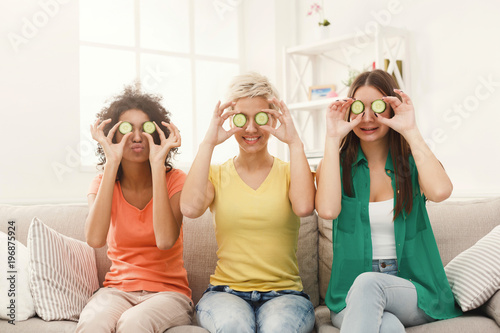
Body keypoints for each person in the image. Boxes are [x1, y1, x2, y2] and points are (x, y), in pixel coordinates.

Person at [315, 69, 462, 332]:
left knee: (369, 283)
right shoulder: (337, 166)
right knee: (388, 327)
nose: (368, 118)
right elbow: (327, 210)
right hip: (351, 293)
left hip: (411, 288)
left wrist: (410, 129)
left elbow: (440, 191)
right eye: (360, 108)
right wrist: (332, 136)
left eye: (378, 107)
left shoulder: (412, 162)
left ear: (392, 110)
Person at [180, 72, 316, 333]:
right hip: (226, 293)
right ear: (231, 120)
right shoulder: (216, 175)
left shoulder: (290, 172)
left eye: (261, 118)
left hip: (285, 295)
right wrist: (208, 142)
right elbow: (190, 208)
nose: (251, 129)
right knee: (233, 327)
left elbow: (304, 207)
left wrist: (294, 141)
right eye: (242, 119)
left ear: (274, 118)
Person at [76, 86, 193, 333]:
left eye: (146, 128)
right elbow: (95, 239)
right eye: (127, 129)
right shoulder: (101, 183)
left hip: (169, 294)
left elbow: (164, 240)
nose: (137, 137)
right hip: (117, 291)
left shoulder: (176, 180)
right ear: (113, 136)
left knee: (133, 323)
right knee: (93, 323)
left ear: (158, 133)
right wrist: (112, 163)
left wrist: (157, 163)